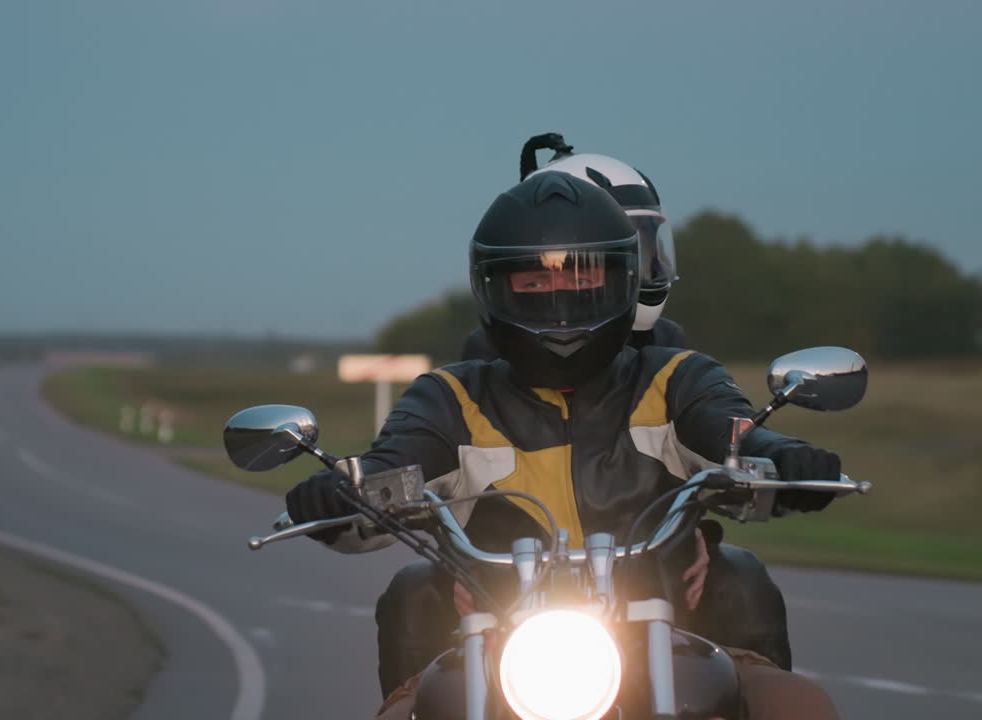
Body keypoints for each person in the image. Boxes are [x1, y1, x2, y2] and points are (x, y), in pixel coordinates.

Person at [286, 171, 840, 719]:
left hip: (667, 627)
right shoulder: (451, 397)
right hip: (493, 639)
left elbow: (733, 431)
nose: (561, 297)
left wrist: (783, 457)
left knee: (798, 705)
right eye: (533, 282)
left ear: (623, 281)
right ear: (493, 288)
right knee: (413, 657)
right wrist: (345, 489)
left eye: (584, 278)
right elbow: (396, 461)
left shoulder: (675, 378)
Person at [462, 132, 684, 363]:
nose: (644, 267)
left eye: (646, 247)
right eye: (536, 282)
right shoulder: (496, 353)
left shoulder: (665, 345)